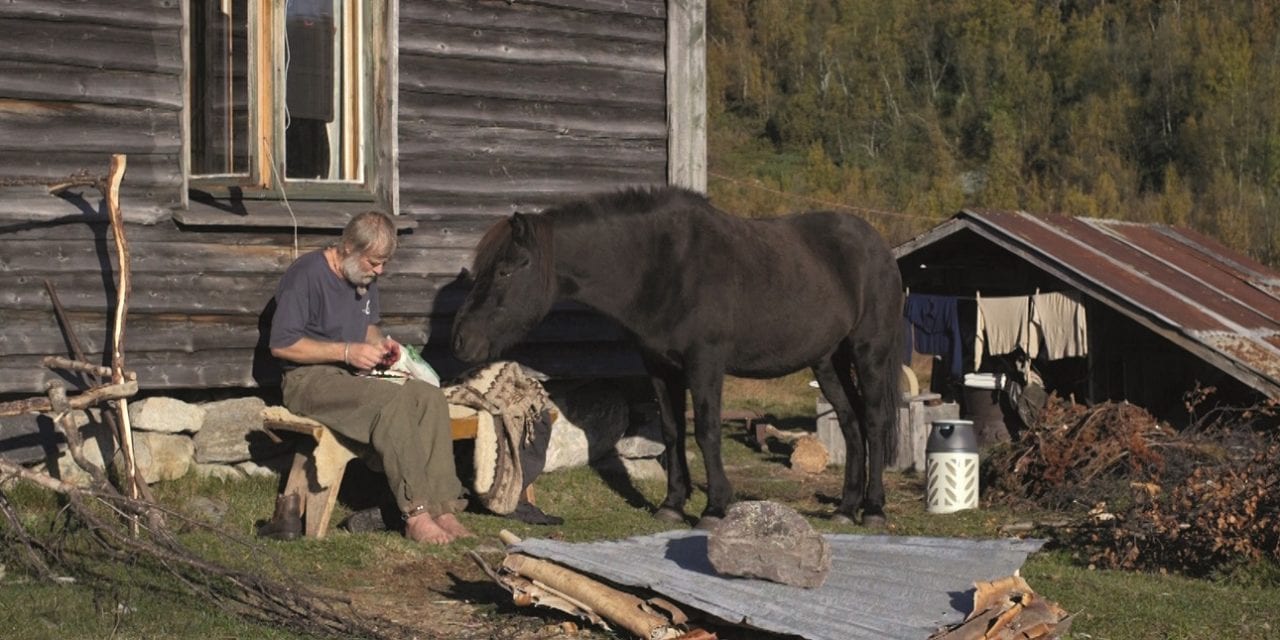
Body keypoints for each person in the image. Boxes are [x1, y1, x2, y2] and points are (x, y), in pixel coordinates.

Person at [269, 211, 472, 544]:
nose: (379, 271)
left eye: (383, 264)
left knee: (428, 396)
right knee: (391, 402)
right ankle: (416, 514)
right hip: (307, 380)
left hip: (351, 377)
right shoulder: (305, 275)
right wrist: (347, 352)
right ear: (348, 247)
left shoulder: (362, 277)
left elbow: (367, 327)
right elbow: (282, 344)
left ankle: (443, 508)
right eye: (374, 262)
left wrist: (381, 345)